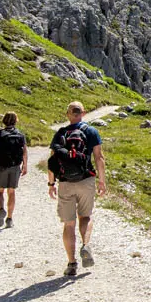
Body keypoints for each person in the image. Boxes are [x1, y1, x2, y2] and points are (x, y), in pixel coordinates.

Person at [46, 101, 107, 277]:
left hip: (65, 182)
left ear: (67, 114)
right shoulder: (91, 132)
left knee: (69, 223)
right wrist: (101, 181)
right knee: (85, 216)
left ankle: (72, 263)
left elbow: (52, 161)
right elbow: (99, 157)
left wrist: (51, 183)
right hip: (86, 179)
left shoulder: (61, 133)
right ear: (84, 113)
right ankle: (86, 245)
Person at [0, 112, 28, 228]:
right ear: (16, 121)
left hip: (1, 166)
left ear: (4, 121)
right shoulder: (20, 135)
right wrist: (25, 166)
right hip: (15, 166)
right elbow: (24, 151)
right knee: (11, 192)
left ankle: (1, 210)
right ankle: (9, 219)